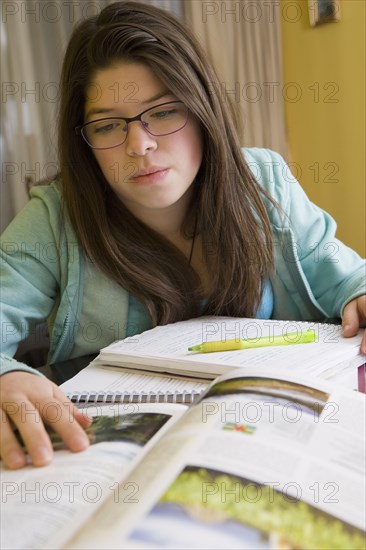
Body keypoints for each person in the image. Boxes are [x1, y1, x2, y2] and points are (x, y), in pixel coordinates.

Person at [0, 1, 365, 470]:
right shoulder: (56, 216)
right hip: (116, 457)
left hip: (272, 439)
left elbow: (346, 276)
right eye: (108, 124)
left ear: (202, 108)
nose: (140, 145)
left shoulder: (264, 181)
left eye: (165, 111)